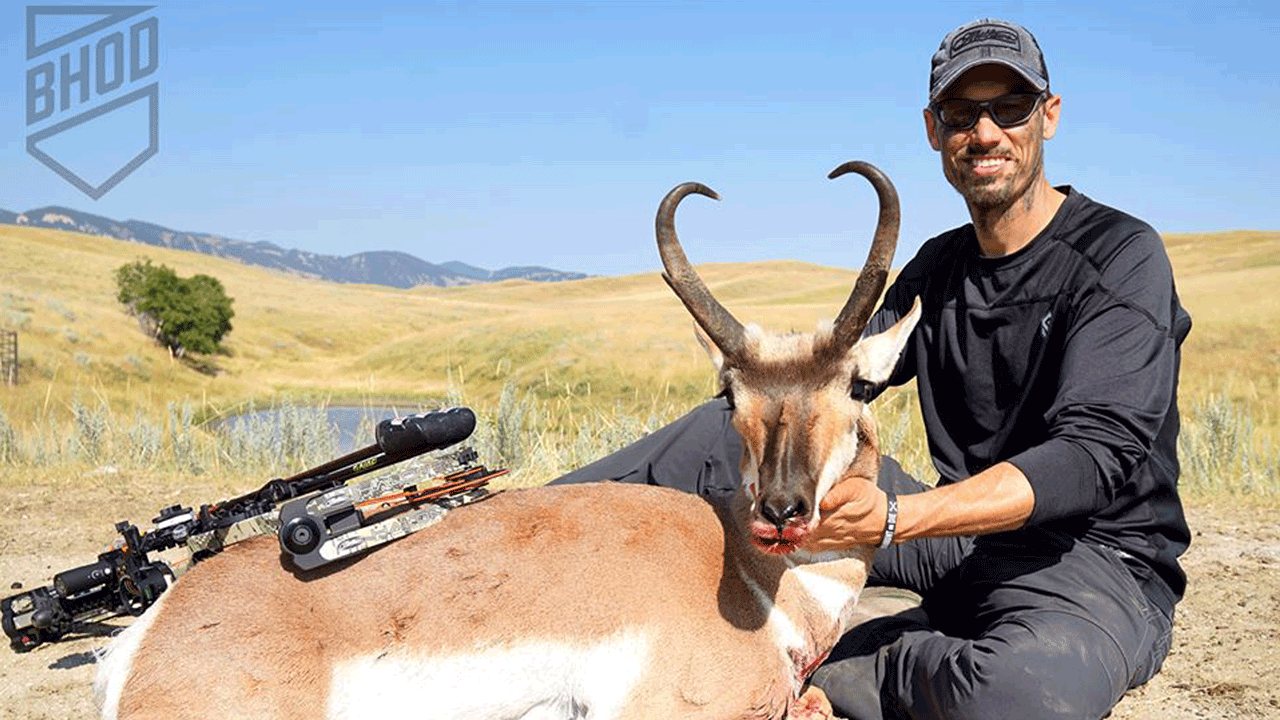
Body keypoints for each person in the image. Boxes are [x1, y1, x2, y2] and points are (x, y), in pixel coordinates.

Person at [552, 18, 1191, 720]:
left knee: (1020, 697)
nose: (984, 132)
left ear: (1049, 115)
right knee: (728, 426)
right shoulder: (939, 267)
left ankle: (862, 661)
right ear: (932, 128)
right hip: (959, 546)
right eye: (959, 113)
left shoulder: (1120, 257)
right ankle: (515, 524)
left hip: (1093, 565)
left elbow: (1089, 457)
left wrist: (893, 517)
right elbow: (828, 377)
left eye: (1008, 108)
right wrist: (753, 372)